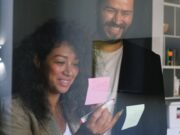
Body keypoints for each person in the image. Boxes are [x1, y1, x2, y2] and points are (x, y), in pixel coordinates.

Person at [0, 19, 121, 135]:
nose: (69, 72)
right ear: (38, 61)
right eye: (60, 62)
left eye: (75, 64)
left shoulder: (70, 107)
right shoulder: (14, 110)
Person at [92, 0, 167, 135]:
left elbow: (157, 124)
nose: (117, 20)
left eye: (126, 13)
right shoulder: (75, 57)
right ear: (98, 9)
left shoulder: (149, 62)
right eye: (110, 10)